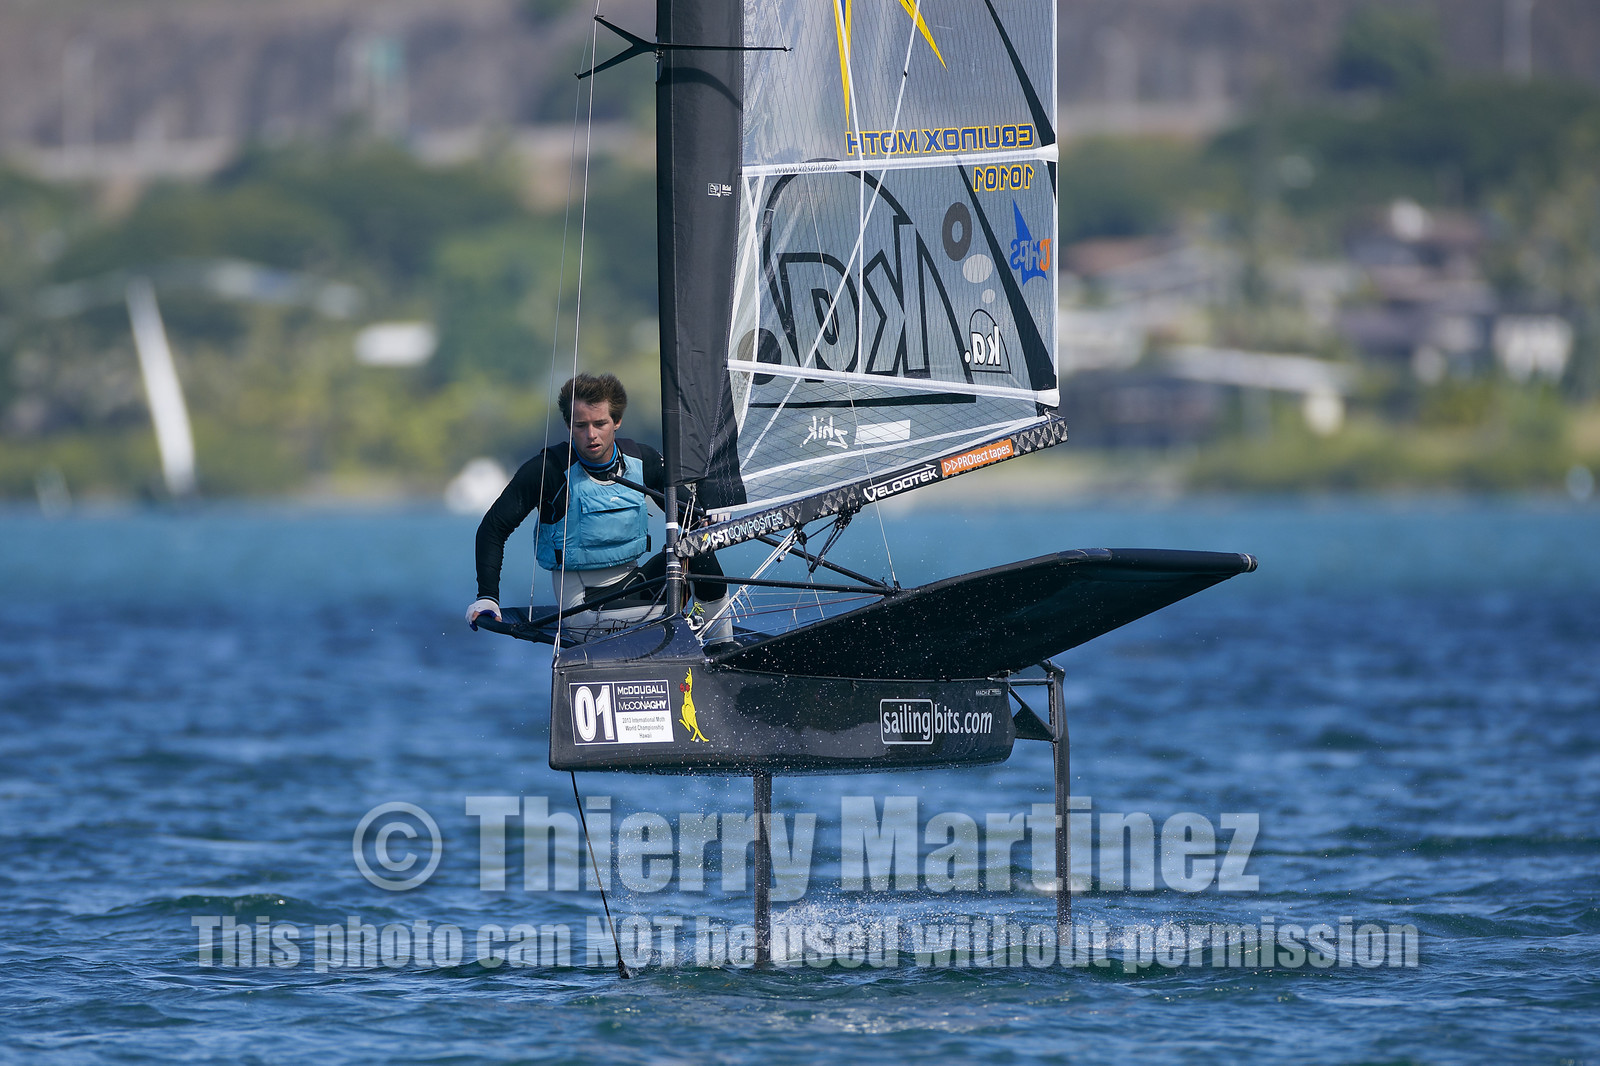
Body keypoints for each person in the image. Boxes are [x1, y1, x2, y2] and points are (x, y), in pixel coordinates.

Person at [465, 372, 731, 642]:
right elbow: (493, 529)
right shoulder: (549, 471)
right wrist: (487, 597)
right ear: (569, 426)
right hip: (584, 609)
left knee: (698, 548)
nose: (591, 435)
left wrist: (710, 512)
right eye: (581, 425)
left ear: (616, 422)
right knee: (673, 613)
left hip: (636, 585)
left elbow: (692, 519)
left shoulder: (642, 461)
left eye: (600, 423)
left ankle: (722, 652)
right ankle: (697, 637)